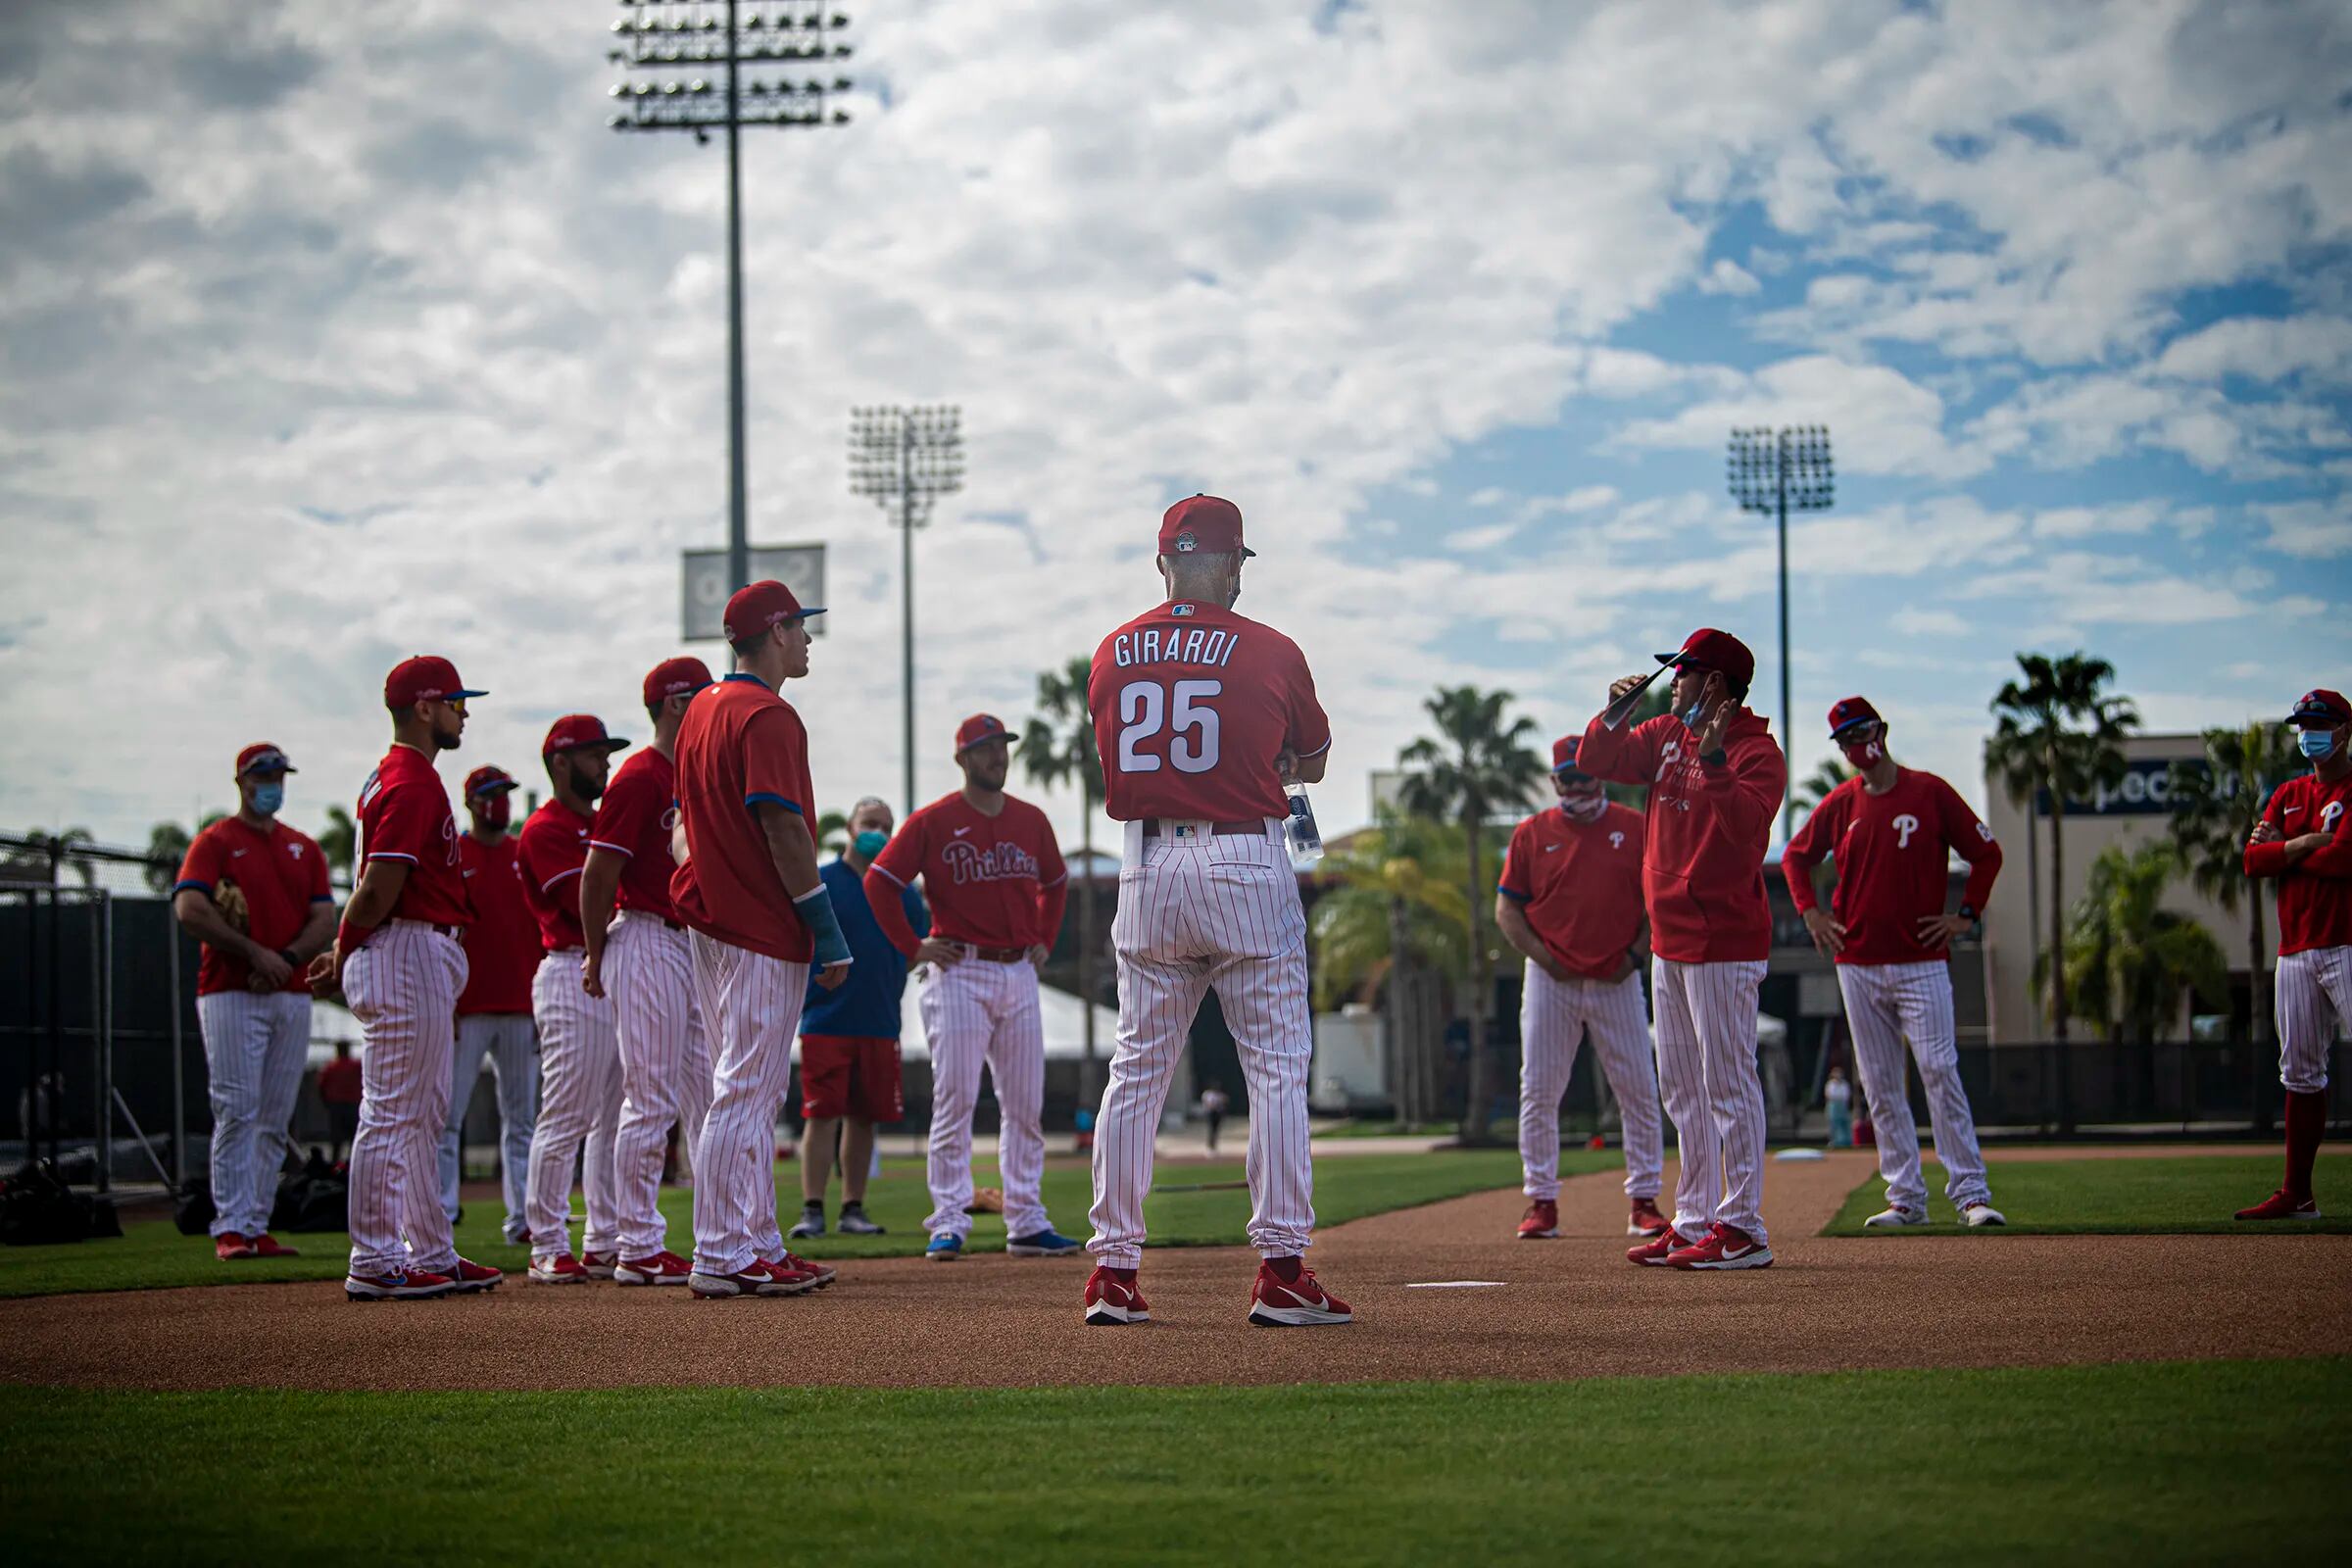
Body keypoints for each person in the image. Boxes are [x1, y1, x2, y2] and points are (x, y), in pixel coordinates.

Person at [1080, 493, 1351, 1327]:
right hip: (1243, 854)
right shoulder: (1269, 648)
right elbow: (1311, 758)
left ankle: (1114, 1274)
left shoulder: (1112, 651)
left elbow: (1113, 760)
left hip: (1150, 860)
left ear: (1164, 562)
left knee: (1136, 1072)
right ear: (1231, 565)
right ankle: (1280, 1267)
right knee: (1272, 1066)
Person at [1578, 628, 1787, 1272]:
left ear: (1715, 683)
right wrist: (1614, 713)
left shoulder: (1756, 752)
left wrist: (1719, 760)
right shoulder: (1667, 734)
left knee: (1727, 1085)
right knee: (1683, 1091)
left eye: (1683, 671)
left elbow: (1747, 837)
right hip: (1669, 940)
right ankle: (1695, 1218)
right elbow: (1597, 760)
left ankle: (1743, 1226)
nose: (1672, 681)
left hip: (1723, 941)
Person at [670, 580, 851, 1298]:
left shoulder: (700, 712)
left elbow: (688, 827)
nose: (807, 639)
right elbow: (784, 828)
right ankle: (719, 1250)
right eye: (801, 627)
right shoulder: (768, 715)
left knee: (743, 1086)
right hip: (758, 926)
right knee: (744, 1091)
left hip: (711, 920)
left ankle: (756, 1241)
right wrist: (828, 932)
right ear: (775, 632)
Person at [311, 655, 501, 1300]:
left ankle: (432, 1250)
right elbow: (379, 886)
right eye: (453, 700)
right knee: (393, 1112)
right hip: (405, 947)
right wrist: (343, 949)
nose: (463, 710)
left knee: (422, 1114)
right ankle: (373, 1257)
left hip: (412, 949)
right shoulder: (412, 781)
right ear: (424, 708)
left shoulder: (399, 775)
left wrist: (348, 950)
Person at [1782, 696, 2007, 1228]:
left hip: (1921, 960)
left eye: (1862, 733)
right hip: (1857, 961)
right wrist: (1810, 913)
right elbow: (1795, 855)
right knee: (1879, 1083)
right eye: (1845, 740)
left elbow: (1986, 853)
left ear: (1880, 730)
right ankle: (1905, 1197)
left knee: (1938, 1069)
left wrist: (1966, 916)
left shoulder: (1929, 792)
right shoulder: (1842, 803)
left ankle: (1971, 1194)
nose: (1857, 746)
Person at [865, 715, 1079, 1261]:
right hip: (959, 968)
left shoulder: (1031, 820)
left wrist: (1044, 939)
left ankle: (1026, 1219)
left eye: (1002, 748)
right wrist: (912, 945)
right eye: (985, 750)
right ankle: (949, 1218)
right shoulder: (934, 820)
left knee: (1026, 1105)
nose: (997, 758)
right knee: (955, 1099)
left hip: (1017, 971)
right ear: (962, 758)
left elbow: (1055, 883)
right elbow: (881, 881)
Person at [1495, 735, 1666, 1243]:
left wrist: (1636, 955)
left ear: (1602, 774)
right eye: (1567, 777)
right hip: (1553, 978)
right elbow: (1507, 909)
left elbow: (1659, 899)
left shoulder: (1635, 828)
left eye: (1585, 774)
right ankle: (1541, 1201)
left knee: (1637, 1087)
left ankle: (1645, 1201)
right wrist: (1546, 959)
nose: (1577, 784)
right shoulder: (1532, 833)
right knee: (1540, 1089)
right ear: (1555, 782)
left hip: (1617, 975)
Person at [172, 743, 336, 1262]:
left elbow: (325, 920)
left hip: (288, 990)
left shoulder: (303, 848)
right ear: (241, 781)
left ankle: (257, 1222)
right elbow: (189, 907)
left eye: (278, 775)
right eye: (263, 775)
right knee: (237, 1109)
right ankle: (230, 1226)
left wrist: (283, 958)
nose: (272, 784)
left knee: (273, 1113)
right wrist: (251, 951)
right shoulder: (216, 841)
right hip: (230, 990)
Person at [581, 657, 715, 1286]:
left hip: (690, 943)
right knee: (650, 1093)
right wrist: (593, 950)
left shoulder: (694, 773)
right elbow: (597, 875)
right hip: (644, 934)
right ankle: (635, 1241)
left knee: (706, 1095)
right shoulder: (638, 775)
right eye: (701, 696)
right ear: (672, 704)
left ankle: (723, 1235)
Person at [515, 715, 630, 1284]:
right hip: (569, 970)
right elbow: (583, 904)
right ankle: (546, 1241)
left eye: (606, 754)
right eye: (592, 755)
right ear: (560, 762)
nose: (604, 763)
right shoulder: (545, 828)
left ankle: (603, 1239)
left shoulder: (601, 823)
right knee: (566, 1112)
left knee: (613, 1115)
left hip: (617, 975)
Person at [2235, 687, 2352, 1221]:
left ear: (2345, 731)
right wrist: (2307, 843)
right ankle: (2297, 1195)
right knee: (2300, 1073)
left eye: (2318, 723)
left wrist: (2288, 848)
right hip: (2295, 950)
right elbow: (2253, 862)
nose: (2308, 733)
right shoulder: (2287, 791)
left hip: (2345, 942)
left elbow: (2343, 859)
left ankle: (2297, 1194)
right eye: (2302, 724)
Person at [788, 796, 927, 1241]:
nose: (878, 832)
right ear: (850, 827)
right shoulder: (821, 883)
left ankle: (853, 1207)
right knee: (822, 1115)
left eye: (886, 825)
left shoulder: (903, 892)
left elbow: (916, 948)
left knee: (866, 1118)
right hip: (826, 1019)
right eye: (870, 822)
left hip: (881, 1021)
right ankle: (812, 1209)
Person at [443, 764, 539, 1246]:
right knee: (447, 1115)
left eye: (505, 793)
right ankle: (440, 1214)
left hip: (521, 1005)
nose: (500, 802)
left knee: (522, 1121)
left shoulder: (523, 852)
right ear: (472, 801)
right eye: (492, 794)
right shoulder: (455, 854)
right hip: (468, 1007)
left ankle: (522, 1219)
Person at [319, 1041, 364, 1162]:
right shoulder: (356, 1066)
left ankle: (334, 1163)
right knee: (354, 1139)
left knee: (336, 1140)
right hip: (353, 1105)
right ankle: (353, 1163)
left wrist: (326, 1102)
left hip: (336, 1106)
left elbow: (322, 1085)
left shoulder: (331, 1067)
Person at [1825, 1063, 1853, 1150]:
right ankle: (1833, 1142)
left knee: (1844, 1124)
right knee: (1834, 1124)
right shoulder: (1830, 1084)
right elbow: (1829, 1095)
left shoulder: (1845, 1084)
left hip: (1843, 1105)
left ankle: (1846, 1142)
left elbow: (1847, 1095)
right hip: (1834, 1105)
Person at [1199, 1082, 1230, 1154]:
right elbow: (1207, 1103)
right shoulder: (1208, 1094)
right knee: (1211, 1130)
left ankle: (1214, 1146)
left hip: (1217, 1113)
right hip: (1210, 1113)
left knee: (1216, 1130)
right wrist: (1214, 1105)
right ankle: (1210, 1146)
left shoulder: (1219, 1095)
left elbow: (1225, 1100)